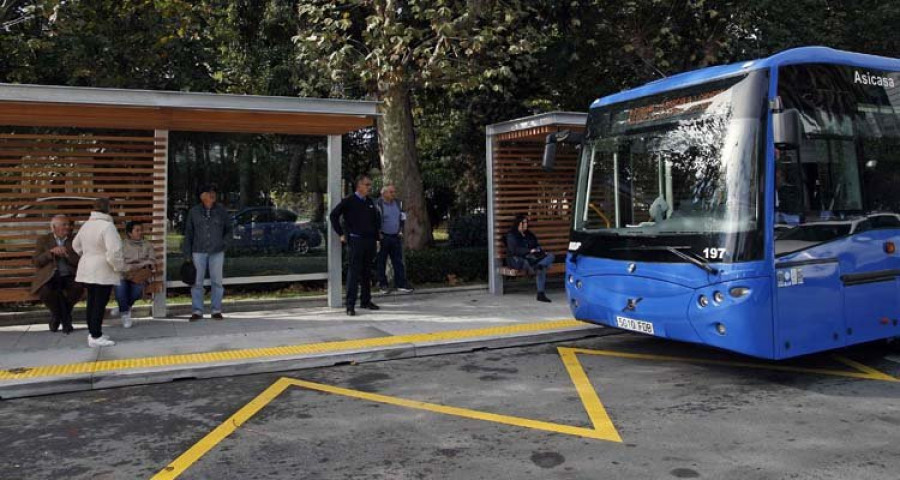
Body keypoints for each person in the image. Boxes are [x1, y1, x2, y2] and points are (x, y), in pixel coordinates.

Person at [73, 198, 124, 347]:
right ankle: (96, 336)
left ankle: (93, 332)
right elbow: (114, 251)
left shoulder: (86, 225)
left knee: (92, 302)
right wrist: (118, 267)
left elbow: (75, 245)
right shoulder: (108, 226)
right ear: (108, 209)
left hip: (87, 268)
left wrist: (87, 255)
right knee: (100, 303)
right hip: (103, 269)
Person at [329, 175, 381, 316]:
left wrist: (377, 239)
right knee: (354, 273)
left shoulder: (370, 202)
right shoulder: (349, 201)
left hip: (369, 241)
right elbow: (333, 215)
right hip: (356, 241)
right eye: (367, 184)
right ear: (359, 186)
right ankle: (350, 305)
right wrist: (341, 233)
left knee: (367, 272)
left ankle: (365, 300)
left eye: (370, 184)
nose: (369, 187)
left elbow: (375, 222)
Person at [183, 184, 232, 321]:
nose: (212, 195)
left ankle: (216, 310)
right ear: (202, 196)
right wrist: (187, 255)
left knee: (217, 281)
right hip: (198, 251)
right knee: (197, 282)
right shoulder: (194, 212)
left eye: (214, 192)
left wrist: (224, 244)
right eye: (209, 192)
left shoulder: (221, 211)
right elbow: (189, 234)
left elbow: (229, 229)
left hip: (217, 251)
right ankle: (197, 311)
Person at [31, 215, 83, 334]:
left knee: (78, 288)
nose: (68, 227)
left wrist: (67, 255)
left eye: (68, 225)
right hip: (50, 276)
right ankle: (65, 318)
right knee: (45, 291)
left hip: (69, 275)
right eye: (64, 225)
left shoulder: (74, 239)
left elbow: (80, 261)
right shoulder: (43, 240)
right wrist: (50, 252)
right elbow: (36, 262)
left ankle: (57, 317)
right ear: (54, 227)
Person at [115, 221, 156, 328]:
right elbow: (119, 262)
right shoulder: (122, 245)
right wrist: (130, 268)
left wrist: (139, 265)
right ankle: (125, 314)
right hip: (124, 274)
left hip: (139, 275)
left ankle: (123, 308)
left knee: (137, 289)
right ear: (129, 233)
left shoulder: (147, 245)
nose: (140, 232)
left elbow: (151, 260)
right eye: (137, 230)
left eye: (141, 230)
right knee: (120, 288)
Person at [505, 214, 555, 303]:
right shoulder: (511, 235)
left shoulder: (529, 234)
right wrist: (529, 251)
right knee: (542, 267)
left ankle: (540, 265)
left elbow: (536, 245)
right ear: (518, 223)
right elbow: (514, 250)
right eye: (524, 222)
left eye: (527, 222)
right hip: (518, 259)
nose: (526, 224)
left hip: (533, 258)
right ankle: (540, 294)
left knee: (551, 256)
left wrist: (539, 251)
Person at [375, 184, 413, 294]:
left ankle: (401, 284)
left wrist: (401, 229)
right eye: (391, 192)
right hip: (383, 237)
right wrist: (378, 235)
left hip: (396, 236)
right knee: (381, 261)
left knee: (398, 261)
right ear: (384, 193)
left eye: (394, 192)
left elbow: (402, 217)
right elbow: (375, 221)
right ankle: (383, 285)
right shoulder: (378, 205)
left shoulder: (398, 203)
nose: (393, 194)